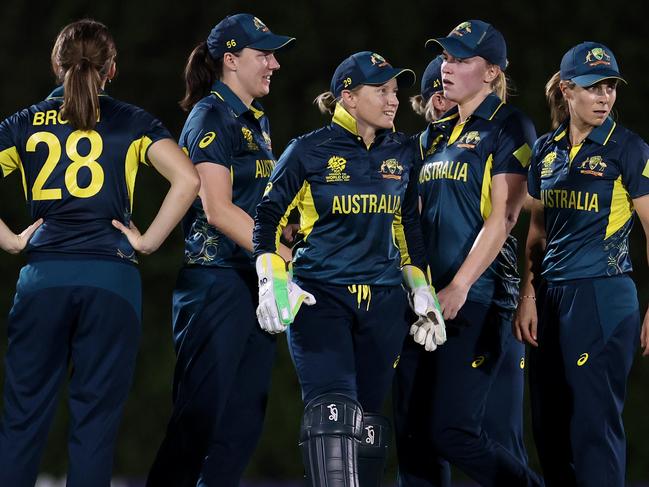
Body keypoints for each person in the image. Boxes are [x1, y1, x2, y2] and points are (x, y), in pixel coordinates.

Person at [0, 18, 199, 487]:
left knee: (22, 419)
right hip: (112, 281)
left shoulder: (23, 123)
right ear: (112, 69)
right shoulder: (132, 120)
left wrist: (8, 238)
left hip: (44, 279)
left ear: (56, 64)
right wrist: (147, 240)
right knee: (94, 425)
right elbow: (188, 180)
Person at [253, 51, 445, 487]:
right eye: (381, 91)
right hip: (322, 300)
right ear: (348, 97)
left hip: (383, 307)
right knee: (332, 414)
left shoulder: (402, 152)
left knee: (370, 425)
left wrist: (422, 292)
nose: (393, 100)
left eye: (395, 90)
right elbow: (268, 219)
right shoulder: (307, 151)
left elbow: (407, 230)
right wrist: (272, 279)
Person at [146, 14, 295, 487]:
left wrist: (295, 240)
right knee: (198, 424)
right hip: (216, 285)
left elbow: (255, 207)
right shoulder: (211, 115)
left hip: (253, 282)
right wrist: (277, 255)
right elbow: (217, 209)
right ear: (231, 60)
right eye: (263, 54)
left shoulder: (257, 120)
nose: (274, 63)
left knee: (241, 428)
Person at [410, 20, 542, 486]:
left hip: (478, 297)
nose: (447, 67)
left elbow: (505, 217)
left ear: (491, 73)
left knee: (460, 432)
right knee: (422, 436)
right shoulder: (434, 137)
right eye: (446, 57)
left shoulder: (509, 124)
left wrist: (460, 284)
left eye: (461, 60)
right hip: (429, 303)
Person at [515, 41, 649, 487]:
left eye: (610, 87)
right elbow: (536, 230)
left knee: (593, 426)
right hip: (552, 297)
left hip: (603, 294)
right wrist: (528, 294)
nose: (605, 97)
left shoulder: (627, 149)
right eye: (594, 88)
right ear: (568, 90)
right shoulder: (546, 151)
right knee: (549, 427)